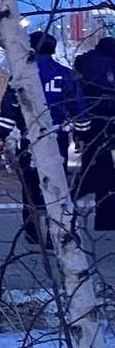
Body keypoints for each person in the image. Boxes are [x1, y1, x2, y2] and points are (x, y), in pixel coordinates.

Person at [0, 30, 90, 244]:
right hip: (58, 138)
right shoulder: (65, 74)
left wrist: (1, 137)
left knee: (30, 187)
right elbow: (79, 108)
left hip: (29, 139)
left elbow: (9, 109)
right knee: (58, 185)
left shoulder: (21, 76)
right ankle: (58, 232)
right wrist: (82, 135)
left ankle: (32, 232)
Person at [73, 30, 115, 230]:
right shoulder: (110, 63)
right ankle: (105, 219)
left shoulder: (84, 61)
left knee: (94, 162)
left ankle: (81, 187)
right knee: (106, 172)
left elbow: (77, 92)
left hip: (89, 120)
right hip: (110, 120)